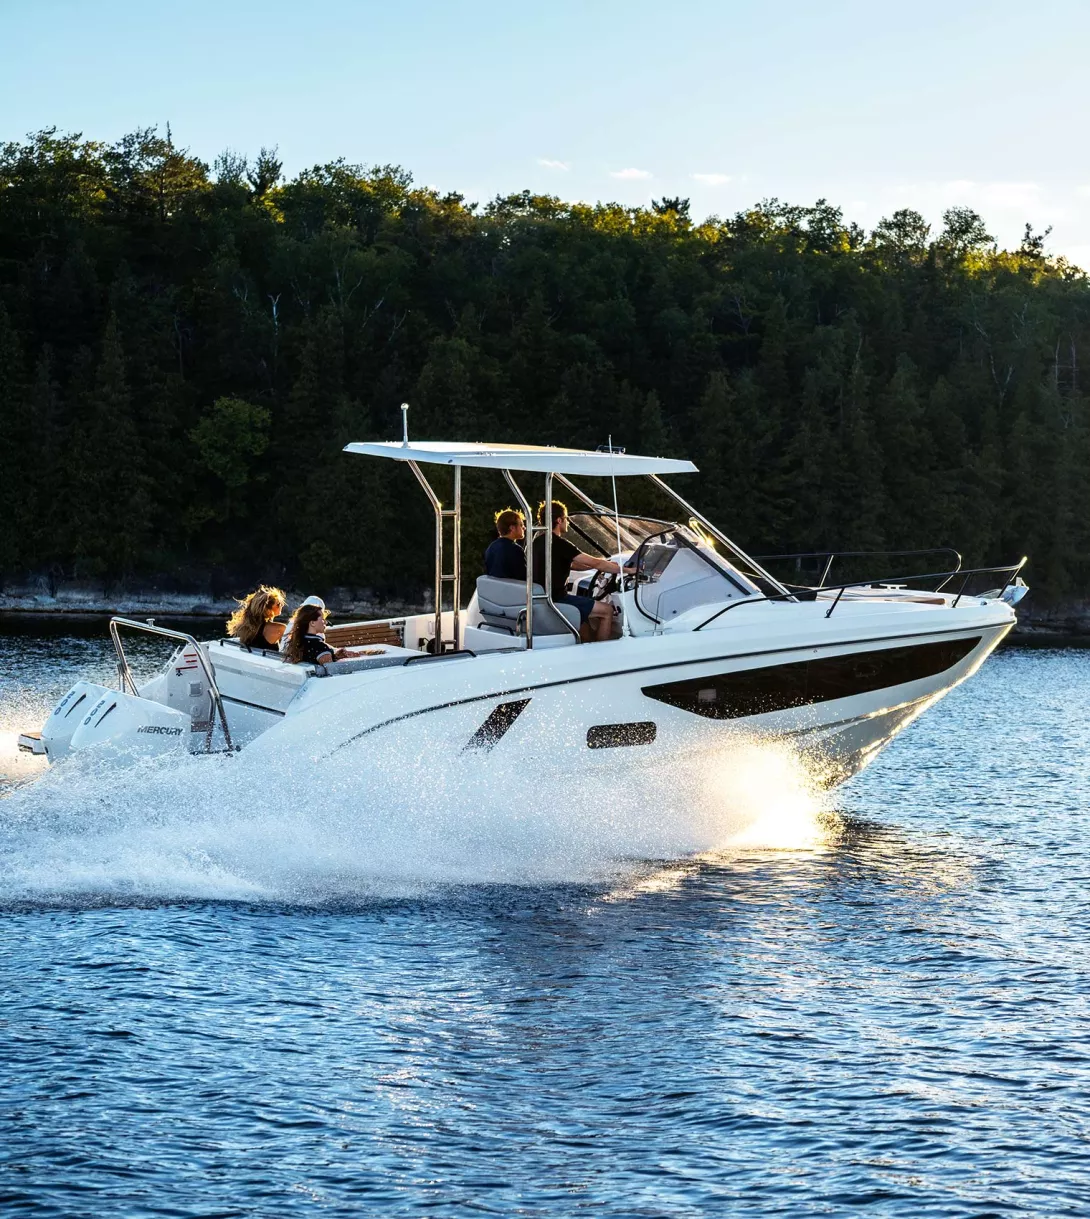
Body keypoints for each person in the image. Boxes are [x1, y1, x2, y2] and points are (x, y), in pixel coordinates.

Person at [531, 500, 625, 642]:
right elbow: (596, 562)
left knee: (585, 626)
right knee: (607, 611)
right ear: (559, 520)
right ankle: (603, 651)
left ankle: (587, 645)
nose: (567, 522)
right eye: (566, 519)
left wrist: (596, 567)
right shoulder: (559, 544)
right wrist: (628, 570)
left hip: (545, 598)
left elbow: (573, 565)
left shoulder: (537, 542)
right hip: (558, 599)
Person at [282, 602, 383, 666]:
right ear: (312, 623)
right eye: (322, 619)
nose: (325, 622)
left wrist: (336, 656)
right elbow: (331, 671)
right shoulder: (319, 647)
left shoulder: (299, 642)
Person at [226, 585, 286, 651]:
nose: (282, 605)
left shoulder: (246, 627)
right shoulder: (280, 628)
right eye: (278, 604)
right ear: (267, 610)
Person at [483, 508, 526, 580]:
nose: (524, 528)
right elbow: (524, 578)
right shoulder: (516, 550)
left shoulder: (491, 548)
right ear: (512, 528)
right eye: (521, 525)